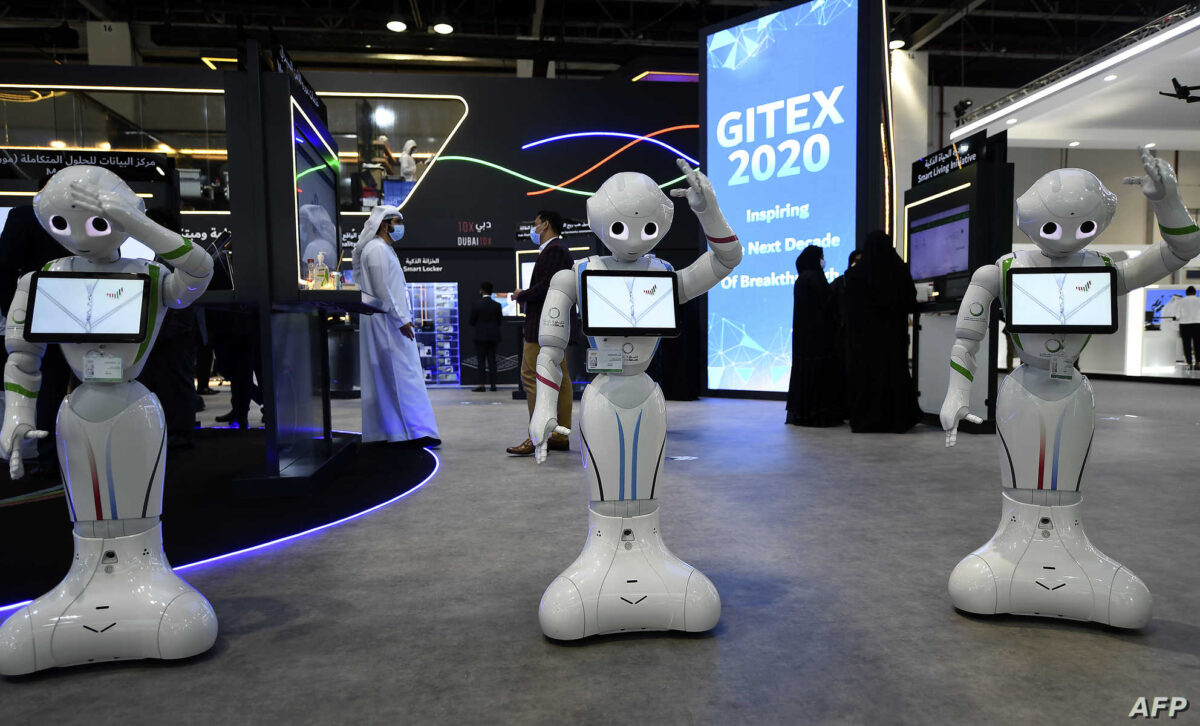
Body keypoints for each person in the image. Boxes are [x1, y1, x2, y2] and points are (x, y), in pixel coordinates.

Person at [0, 186, 75, 477]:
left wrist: (16, 312)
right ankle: (66, 457)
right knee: (77, 381)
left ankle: (50, 459)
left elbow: (5, 267)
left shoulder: (24, 217)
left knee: (49, 385)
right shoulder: (29, 216)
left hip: (44, 312)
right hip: (80, 309)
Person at [353, 206, 440, 446]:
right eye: (397, 222)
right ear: (384, 224)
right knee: (402, 377)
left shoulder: (383, 248)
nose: (400, 226)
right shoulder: (377, 250)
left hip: (390, 322)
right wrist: (401, 319)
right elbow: (383, 290)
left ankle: (400, 433)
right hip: (388, 325)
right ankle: (414, 433)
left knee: (397, 378)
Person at [506, 210, 573, 456]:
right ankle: (558, 435)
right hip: (553, 327)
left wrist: (521, 295)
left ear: (545, 225)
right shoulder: (558, 250)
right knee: (560, 380)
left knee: (532, 377)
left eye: (535, 224)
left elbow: (546, 288)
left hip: (543, 327)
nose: (533, 229)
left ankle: (538, 436)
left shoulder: (554, 250)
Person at [843, 230, 921, 433]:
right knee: (893, 374)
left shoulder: (854, 274)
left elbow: (848, 308)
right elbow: (910, 300)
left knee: (866, 378)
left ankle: (866, 420)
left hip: (863, 341)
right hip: (892, 337)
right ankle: (896, 419)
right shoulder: (898, 270)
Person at [785, 245, 842, 426]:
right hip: (819, 337)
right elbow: (826, 303)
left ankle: (803, 414)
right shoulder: (815, 277)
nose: (823, 261)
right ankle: (818, 415)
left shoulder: (801, 279)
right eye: (821, 257)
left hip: (804, 338)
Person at [469, 281, 502, 391]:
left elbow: (472, 321)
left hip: (480, 337)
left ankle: (481, 385)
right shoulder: (497, 305)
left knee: (481, 361)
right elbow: (500, 321)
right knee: (492, 361)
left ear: (482, 291)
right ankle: (493, 385)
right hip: (493, 337)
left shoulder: (476, 304)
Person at [1166, 286, 1200, 368]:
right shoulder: (1199, 300)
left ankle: (1189, 363)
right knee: (1198, 343)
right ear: (1195, 292)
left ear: (1186, 293)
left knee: (1186, 344)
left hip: (1185, 324)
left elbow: (1177, 315)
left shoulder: (1181, 301)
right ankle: (1198, 362)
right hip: (1197, 324)